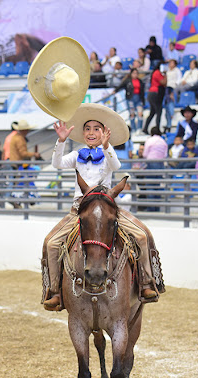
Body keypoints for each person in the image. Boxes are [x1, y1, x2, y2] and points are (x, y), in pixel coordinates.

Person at [42, 103, 164, 311]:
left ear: (104, 133)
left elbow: (116, 166)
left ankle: (146, 283)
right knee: (51, 243)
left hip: (106, 209)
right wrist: (60, 141)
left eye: (96, 129)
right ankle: (54, 292)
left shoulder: (109, 154)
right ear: (82, 133)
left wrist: (107, 146)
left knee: (142, 236)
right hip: (80, 210)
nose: (91, 133)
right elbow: (57, 163)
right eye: (87, 129)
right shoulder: (77, 156)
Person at [114, 68, 144, 133]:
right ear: (131, 74)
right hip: (131, 98)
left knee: (140, 113)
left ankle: (139, 128)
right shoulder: (128, 81)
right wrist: (115, 90)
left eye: (136, 73)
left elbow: (142, 91)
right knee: (132, 114)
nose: (135, 75)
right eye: (134, 73)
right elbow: (121, 86)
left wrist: (143, 100)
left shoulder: (140, 81)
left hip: (138, 98)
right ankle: (133, 129)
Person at [142, 62, 166, 134]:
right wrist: (166, 75)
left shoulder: (155, 72)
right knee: (159, 111)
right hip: (156, 93)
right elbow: (163, 82)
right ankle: (157, 129)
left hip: (152, 93)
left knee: (152, 112)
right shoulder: (157, 72)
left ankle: (145, 128)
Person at [165, 59, 182, 131]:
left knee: (170, 99)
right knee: (167, 101)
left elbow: (179, 79)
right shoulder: (167, 71)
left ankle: (171, 114)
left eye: (171, 63)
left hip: (173, 87)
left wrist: (176, 85)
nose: (170, 64)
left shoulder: (177, 70)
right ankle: (168, 117)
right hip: (167, 87)